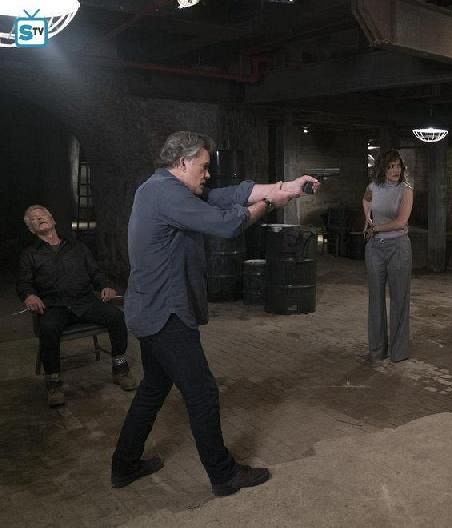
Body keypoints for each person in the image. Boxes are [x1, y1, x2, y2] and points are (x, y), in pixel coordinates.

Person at [111, 131, 318, 496]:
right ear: (183, 162)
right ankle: (223, 476)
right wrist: (268, 203)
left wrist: (283, 187)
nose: (207, 174)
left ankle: (124, 465)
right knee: (203, 393)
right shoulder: (164, 194)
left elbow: (224, 195)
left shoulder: (162, 188)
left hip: (148, 309)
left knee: (154, 388)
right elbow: (227, 223)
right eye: (204, 167)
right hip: (165, 314)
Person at [17, 205, 136, 408]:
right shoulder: (30, 254)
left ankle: (120, 370)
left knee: (116, 317)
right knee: (48, 328)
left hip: (85, 302)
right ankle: (54, 384)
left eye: (42, 215)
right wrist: (29, 295)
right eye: (34, 219)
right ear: (31, 229)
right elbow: (24, 283)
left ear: (52, 219)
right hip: (54, 306)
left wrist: (105, 286)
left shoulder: (77, 247)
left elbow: (95, 273)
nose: (39, 219)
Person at [362, 149, 414, 363]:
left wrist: (375, 228)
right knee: (375, 299)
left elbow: (401, 222)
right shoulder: (373, 187)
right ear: (382, 168)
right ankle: (377, 351)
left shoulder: (406, 190)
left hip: (398, 247)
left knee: (399, 299)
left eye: (398, 166)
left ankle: (398, 352)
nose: (395, 170)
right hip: (375, 248)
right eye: (391, 166)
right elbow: (366, 199)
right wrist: (367, 218)